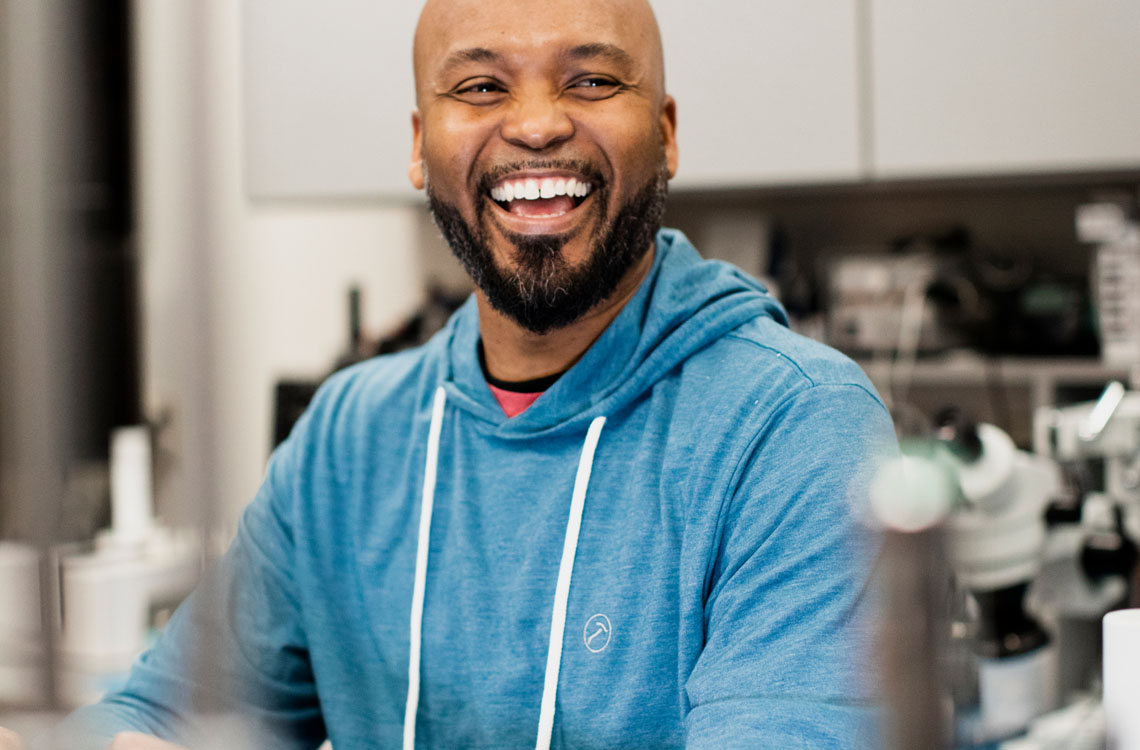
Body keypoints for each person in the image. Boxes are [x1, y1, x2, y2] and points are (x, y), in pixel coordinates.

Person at [16, 0, 896, 747]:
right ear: (418, 144)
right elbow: (170, 715)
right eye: (480, 87)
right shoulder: (349, 440)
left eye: (591, 80)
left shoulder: (796, 429)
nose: (538, 122)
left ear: (665, 134)